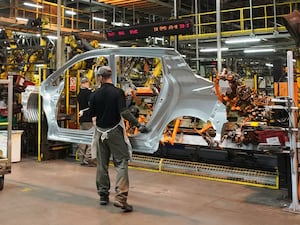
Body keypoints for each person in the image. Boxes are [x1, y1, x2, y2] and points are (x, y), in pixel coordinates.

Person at [89, 66, 149, 213]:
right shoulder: (118, 92)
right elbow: (124, 112)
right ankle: (121, 198)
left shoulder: (94, 94)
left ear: (100, 77)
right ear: (110, 76)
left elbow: (93, 115)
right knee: (121, 163)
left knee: (102, 165)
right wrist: (139, 125)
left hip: (100, 132)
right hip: (114, 131)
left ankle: (103, 196)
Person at [77, 77, 95, 166]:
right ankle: (89, 158)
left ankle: (81, 158)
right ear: (86, 83)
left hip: (82, 119)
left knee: (82, 139)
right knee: (91, 138)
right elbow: (93, 104)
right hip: (89, 119)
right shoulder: (89, 93)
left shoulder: (79, 93)